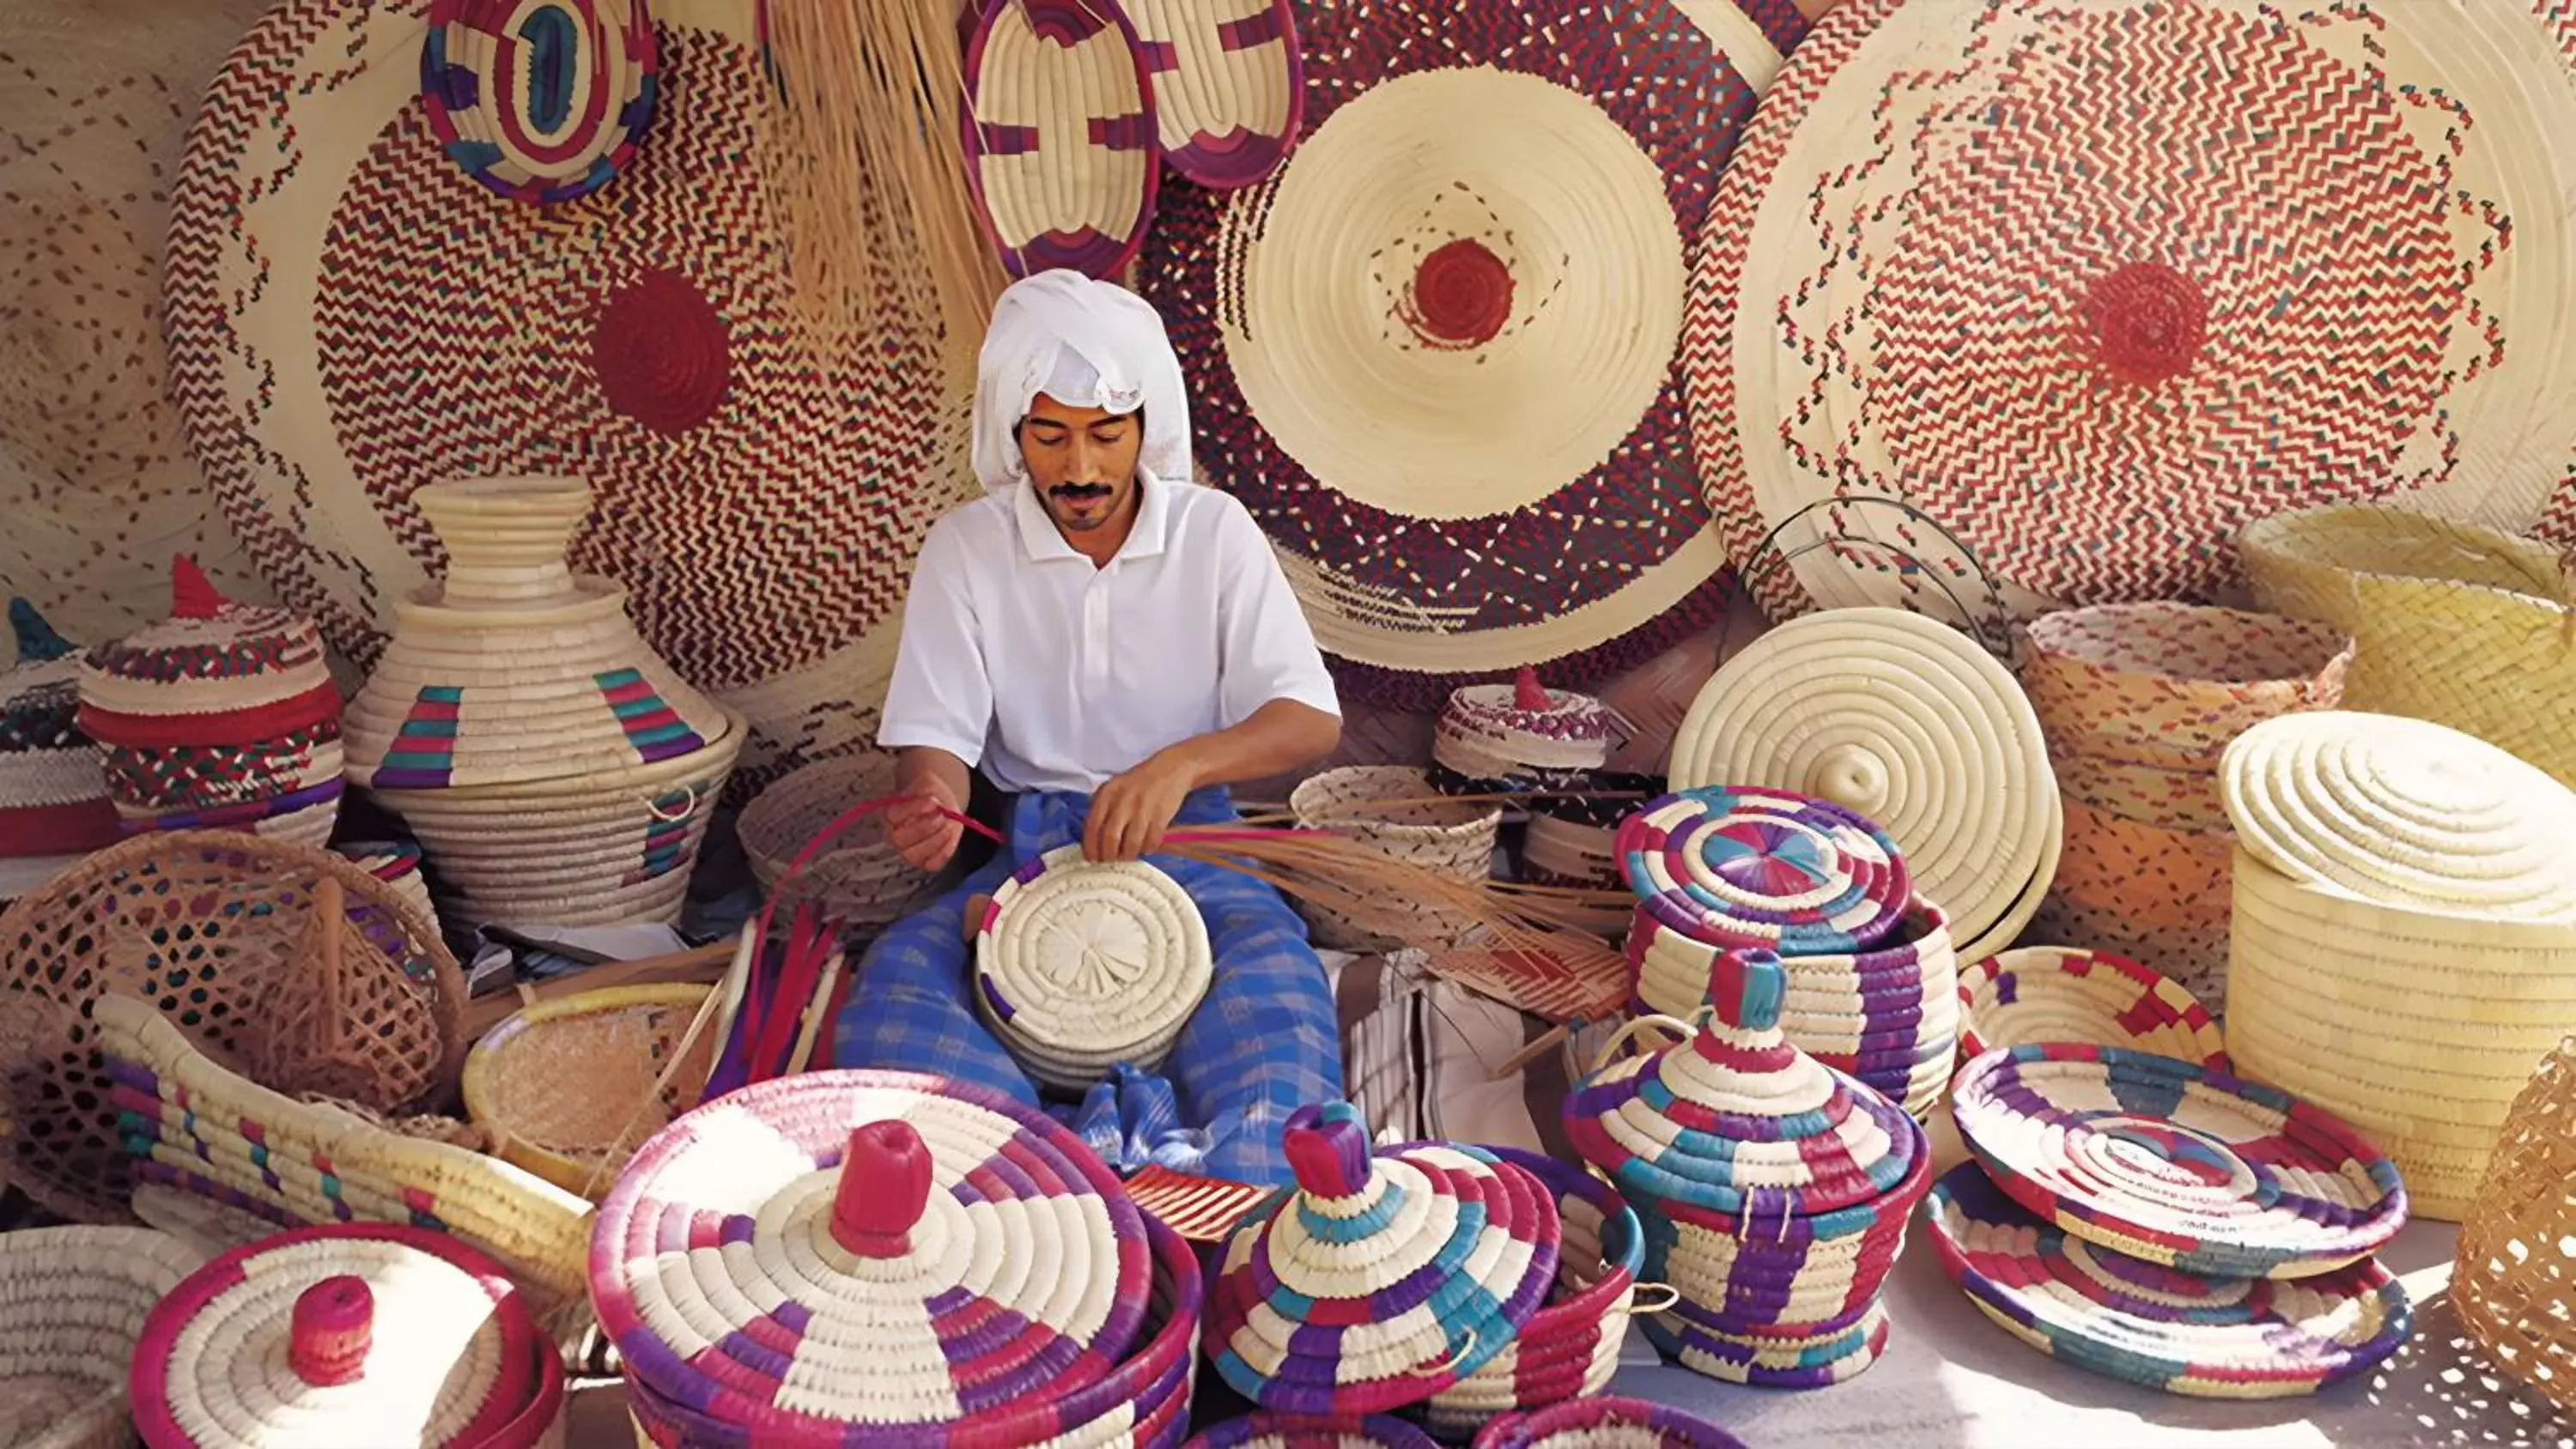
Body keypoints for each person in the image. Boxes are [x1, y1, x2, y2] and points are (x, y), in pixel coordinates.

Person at [829, 268, 1346, 1186]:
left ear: (1147, 429)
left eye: (1106, 434)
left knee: (1276, 993)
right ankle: (1024, 1202)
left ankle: (1227, 1207)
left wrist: (1181, 763)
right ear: (1011, 434)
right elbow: (936, 732)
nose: (1079, 468)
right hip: (1028, 859)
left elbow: (1307, 718)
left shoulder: (1213, 534)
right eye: (1050, 435)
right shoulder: (967, 547)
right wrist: (934, 801)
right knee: (904, 978)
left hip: (1200, 842)